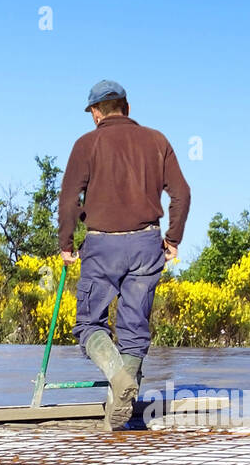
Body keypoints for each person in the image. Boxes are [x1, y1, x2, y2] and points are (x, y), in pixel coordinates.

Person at [58, 80, 191, 430]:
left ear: (97, 113)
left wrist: (66, 244)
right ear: (127, 108)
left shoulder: (86, 144)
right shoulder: (157, 140)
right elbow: (182, 194)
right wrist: (173, 239)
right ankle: (122, 404)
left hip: (103, 246)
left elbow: (69, 197)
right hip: (147, 245)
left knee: (88, 324)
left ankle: (119, 381)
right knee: (134, 330)